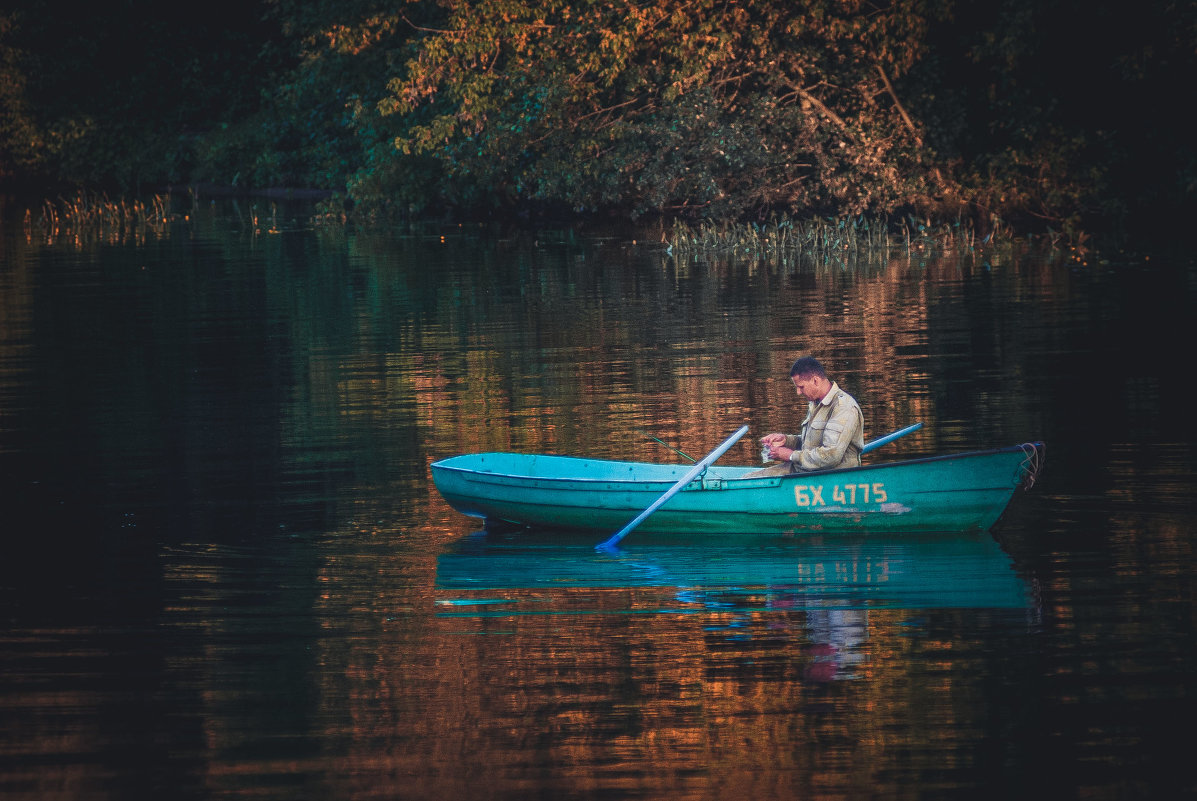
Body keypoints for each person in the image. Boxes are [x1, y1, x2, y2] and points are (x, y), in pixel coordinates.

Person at [746, 356, 864, 477]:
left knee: (750, 482)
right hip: (807, 471)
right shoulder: (816, 403)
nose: (798, 392)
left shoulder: (843, 407)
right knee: (748, 478)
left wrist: (791, 455)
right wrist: (787, 441)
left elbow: (831, 455)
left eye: (801, 387)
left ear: (815, 381)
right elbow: (813, 444)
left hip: (832, 478)